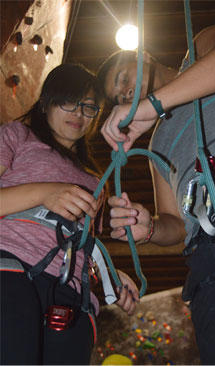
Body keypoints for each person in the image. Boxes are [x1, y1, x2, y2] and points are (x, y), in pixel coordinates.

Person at [97, 24, 215, 365]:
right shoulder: (158, 142)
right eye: (120, 95)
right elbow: (176, 224)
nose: (126, 91)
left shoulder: (201, 49)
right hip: (211, 256)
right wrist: (147, 228)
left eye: (122, 77)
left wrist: (153, 105)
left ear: (142, 55)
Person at [0, 63, 139, 366]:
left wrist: (111, 277)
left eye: (89, 107)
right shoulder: (18, 136)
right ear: (47, 101)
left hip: (71, 293)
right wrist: (45, 193)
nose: (79, 113)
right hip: (10, 269)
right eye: (70, 101)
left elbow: (85, 247)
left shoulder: (95, 179)